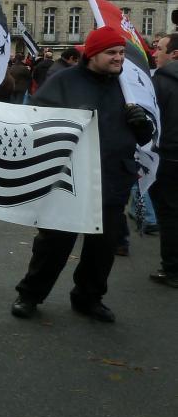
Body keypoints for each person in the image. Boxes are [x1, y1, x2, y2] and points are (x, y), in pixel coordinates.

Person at [11, 27, 154, 323]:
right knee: (54, 243)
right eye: (111, 53)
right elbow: (37, 120)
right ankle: (30, 294)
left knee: (102, 249)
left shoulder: (128, 86)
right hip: (70, 179)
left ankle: (89, 297)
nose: (118, 59)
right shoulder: (64, 81)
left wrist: (141, 124)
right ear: (92, 54)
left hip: (114, 179)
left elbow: (145, 137)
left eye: (121, 53)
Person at [149, 32, 178, 288]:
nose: (155, 53)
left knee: (169, 214)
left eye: (159, 49)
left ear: (174, 54)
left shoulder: (160, 82)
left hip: (169, 156)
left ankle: (172, 269)